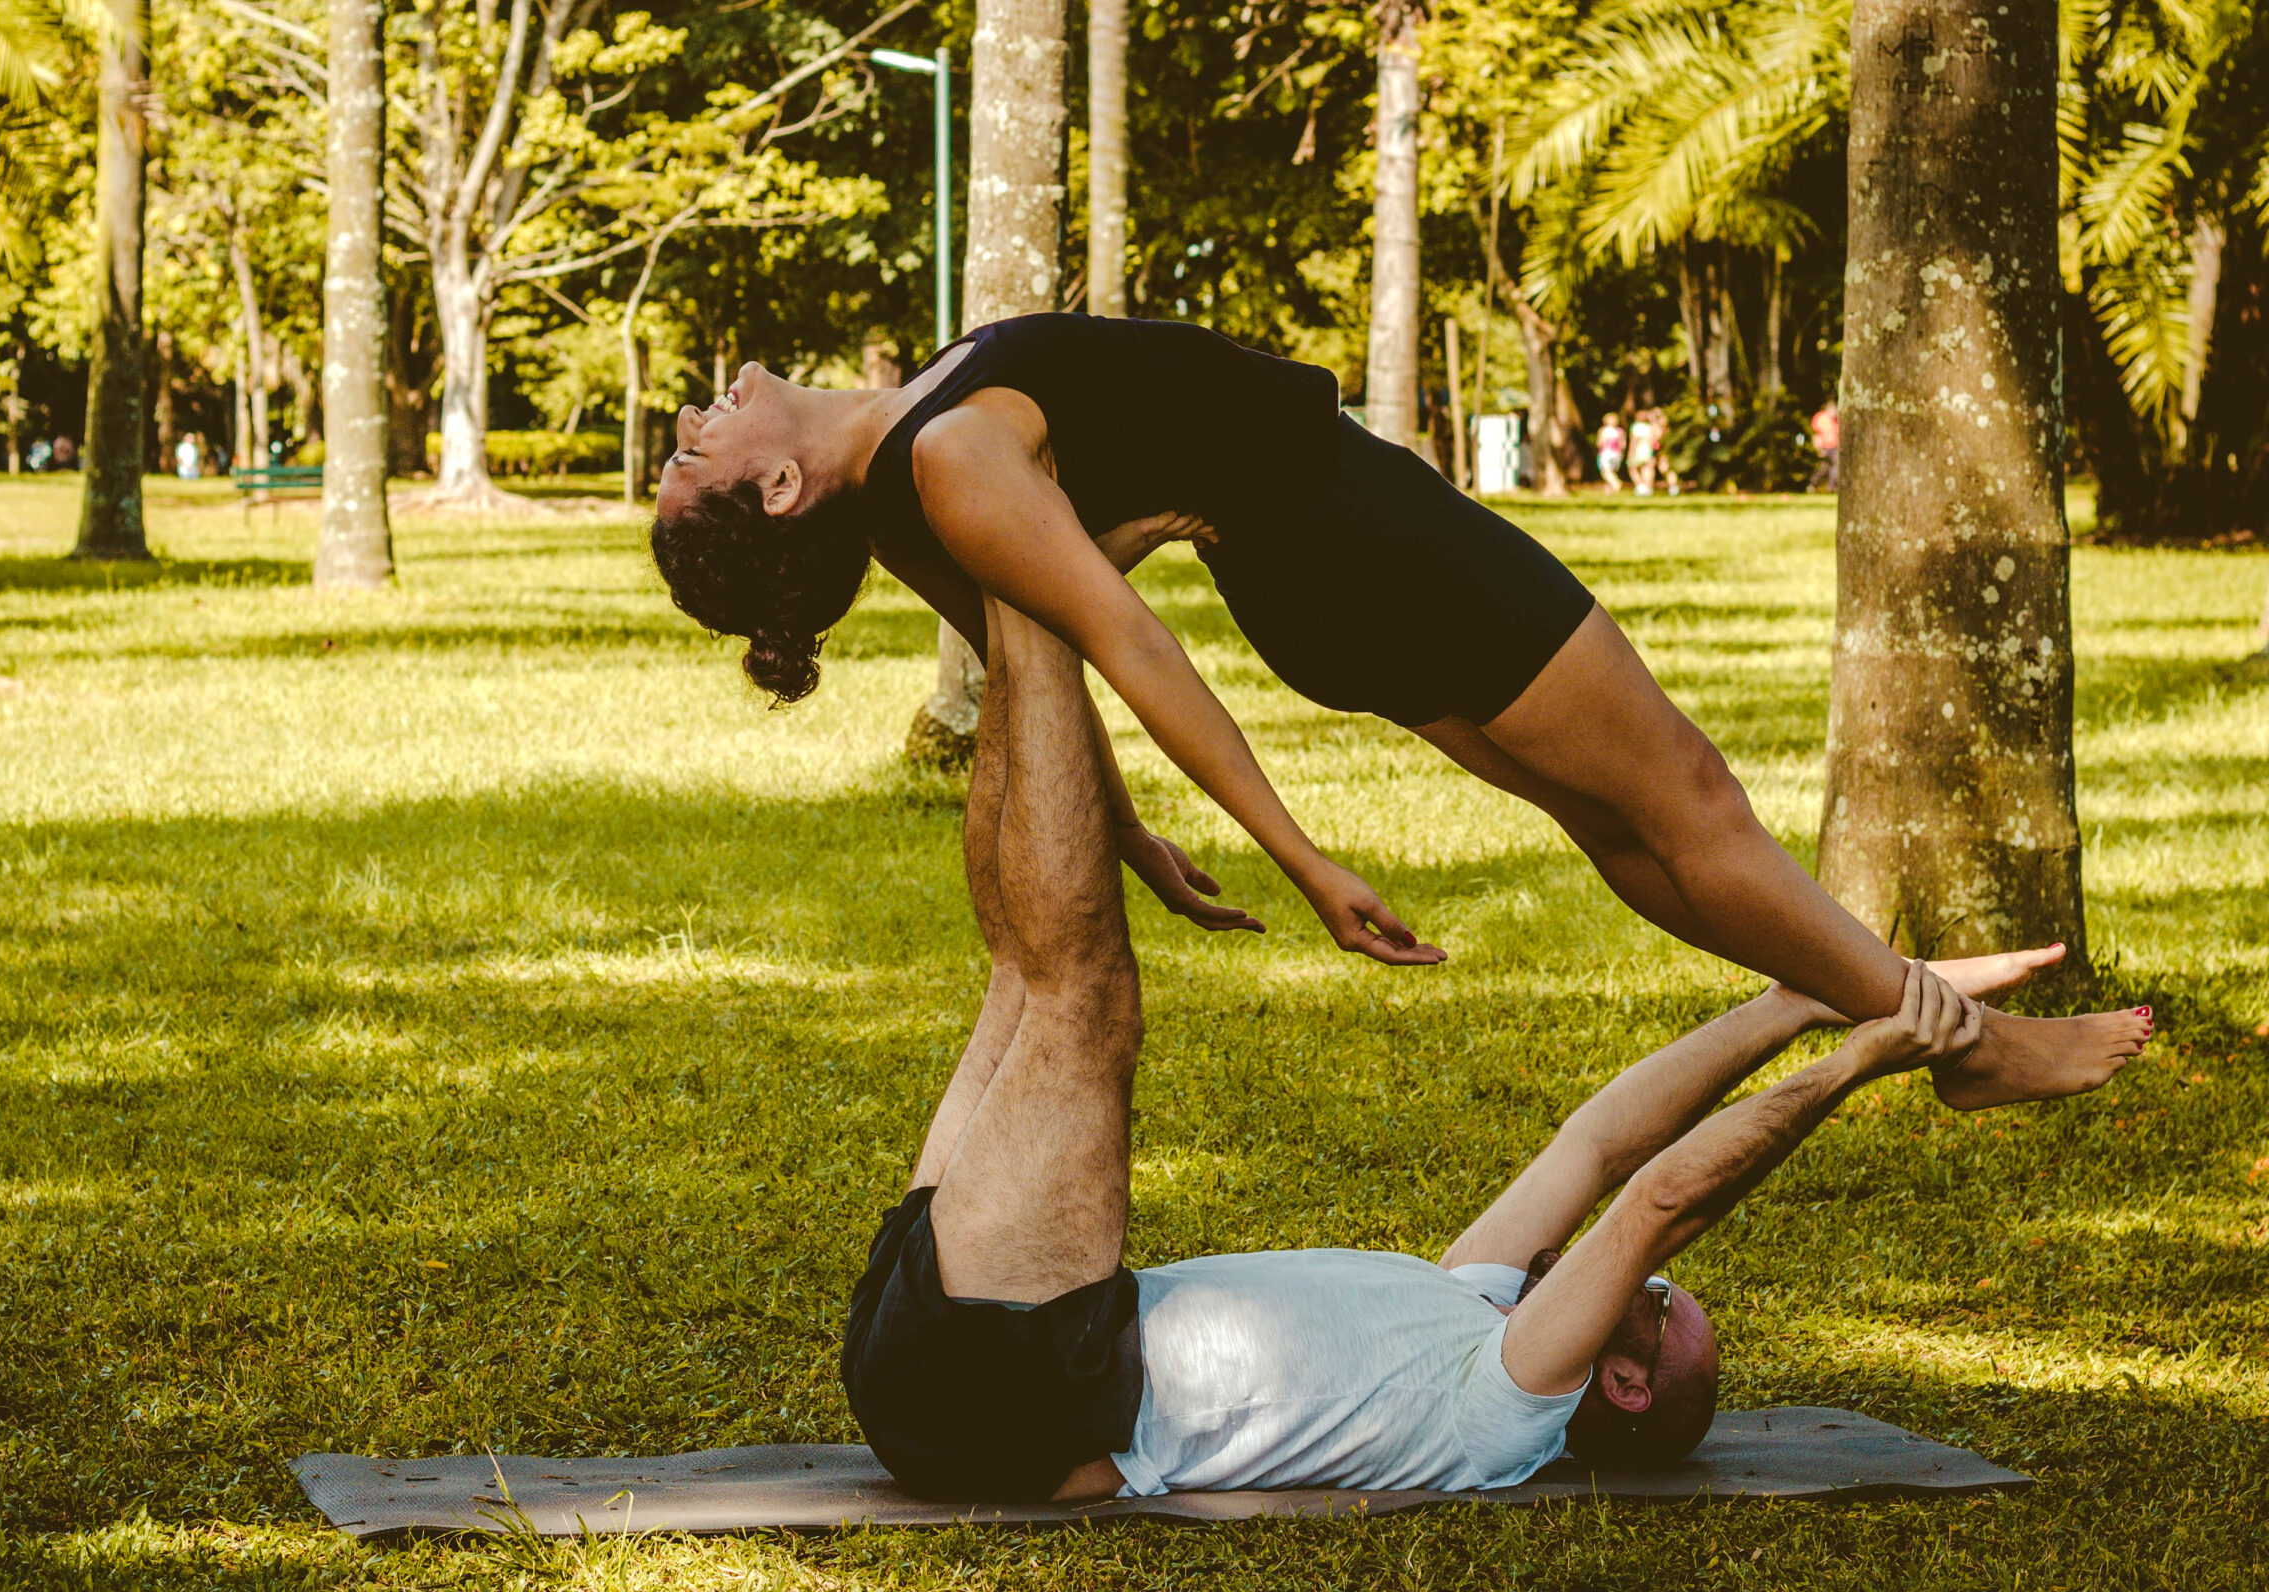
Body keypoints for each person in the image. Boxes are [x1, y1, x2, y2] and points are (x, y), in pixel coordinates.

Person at [650, 314, 2149, 1110]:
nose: (701, 415)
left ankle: (1874, 992)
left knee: (1614, 819)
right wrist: (1297, 852)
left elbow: (1038, 676)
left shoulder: (921, 470)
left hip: (1323, 583)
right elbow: (1129, 652)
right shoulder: (947, 464)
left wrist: (1141, 841)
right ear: (775, 487)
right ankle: (1956, 1041)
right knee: (1688, 797)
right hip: (1363, 545)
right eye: (696, 449)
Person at [840, 602, 2127, 1502]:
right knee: (1028, 980)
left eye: (1663, 1312)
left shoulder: (1501, 1409)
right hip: (987, 1341)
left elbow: (1662, 1196)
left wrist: (1857, 1069)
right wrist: (1823, 997)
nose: (1652, 1285)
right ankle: (1007, 577)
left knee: (1083, 999)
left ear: (1618, 1385)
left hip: (1013, 1385)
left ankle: (1029, 570)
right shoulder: (1469, 1310)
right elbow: (1603, 1142)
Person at [1811, 399, 1842, 493]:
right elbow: (1816, 434)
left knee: (1835, 467)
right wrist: (1818, 448)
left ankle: (1831, 487)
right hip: (1825, 446)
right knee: (1823, 468)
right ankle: (1812, 484)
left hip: (1835, 446)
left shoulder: (1838, 419)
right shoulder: (1821, 418)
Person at [1596, 412, 1628, 494]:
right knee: (1612, 471)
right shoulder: (1620, 431)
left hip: (1606, 453)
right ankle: (1609, 490)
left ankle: (1615, 483)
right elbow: (1623, 445)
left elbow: (1600, 443)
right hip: (1617, 454)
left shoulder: (1604, 430)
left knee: (1605, 472)